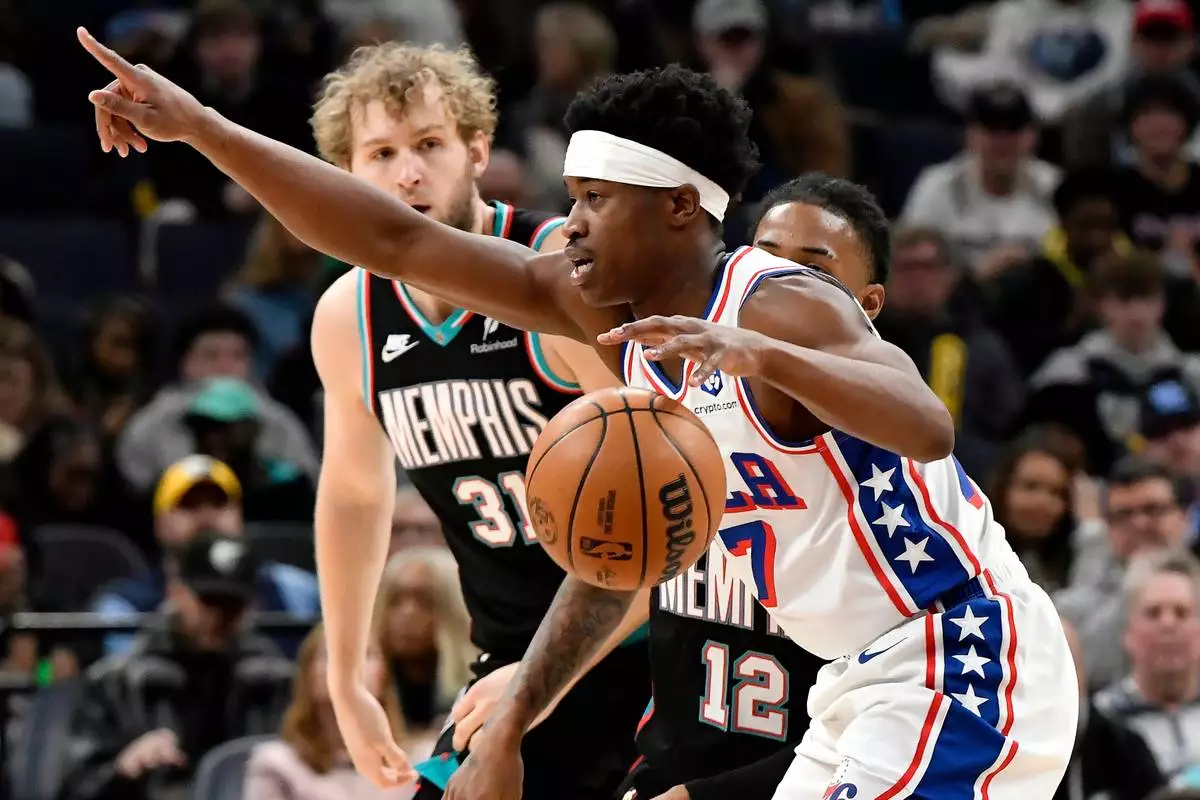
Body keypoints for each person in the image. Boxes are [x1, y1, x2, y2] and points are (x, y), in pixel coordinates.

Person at [78, 36, 1078, 800]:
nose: (573, 224)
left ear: (679, 208)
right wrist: (201, 127)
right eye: (573, 197)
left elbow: (925, 423)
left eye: (597, 199)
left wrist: (763, 356)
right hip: (857, 683)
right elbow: (390, 240)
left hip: (960, 654)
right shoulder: (603, 312)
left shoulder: (780, 303)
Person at [85, 38, 652, 800]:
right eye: (381, 154)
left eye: (429, 145)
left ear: (478, 150)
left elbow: (662, 509)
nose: (407, 172)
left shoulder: (557, 272)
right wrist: (347, 673)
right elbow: (354, 494)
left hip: (639, 646)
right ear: (343, 179)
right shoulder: (348, 315)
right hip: (507, 661)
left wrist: (544, 675)